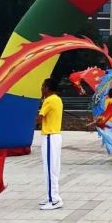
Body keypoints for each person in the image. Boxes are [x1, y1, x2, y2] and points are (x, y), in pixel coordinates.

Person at [38, 78, 64, 210]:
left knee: (49, 169)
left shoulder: (48, 100)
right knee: (54, 169)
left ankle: (54, 199)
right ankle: (52, 196)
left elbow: (39, 119)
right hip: (56, 136)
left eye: (43, 87)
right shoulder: (57, 99)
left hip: (49, 137)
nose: (41, 89)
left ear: (47, 88)